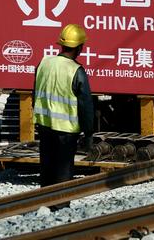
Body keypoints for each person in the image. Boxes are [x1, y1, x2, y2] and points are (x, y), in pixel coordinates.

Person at [33, 24, 94, 194]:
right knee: (63, 170)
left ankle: (44, 201)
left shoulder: (44, 63)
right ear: (80, 47)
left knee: (46, 166)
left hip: (44, 126)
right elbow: (86, 106)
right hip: (66, 131)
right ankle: (60, 206)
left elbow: (35, 94)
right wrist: (88, 134)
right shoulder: (76, 71)